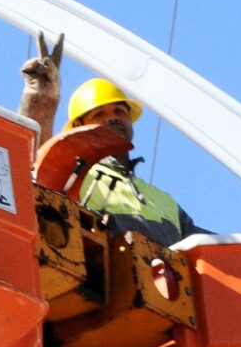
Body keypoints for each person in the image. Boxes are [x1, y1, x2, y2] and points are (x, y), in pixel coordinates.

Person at [63, 78, 205, 249]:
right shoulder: (74, 175)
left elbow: (212, 249)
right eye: (99, 114)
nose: (113, 118)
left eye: (119, 111)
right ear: (79, 126)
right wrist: (40, 97)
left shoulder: (165, 201)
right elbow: (33, 165)